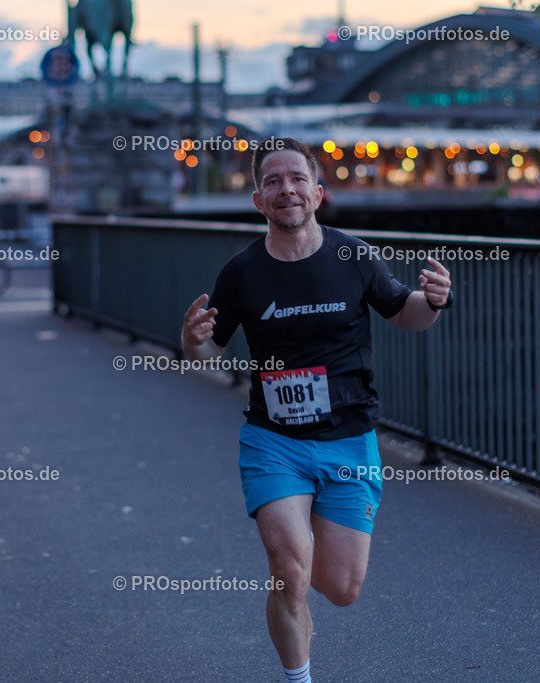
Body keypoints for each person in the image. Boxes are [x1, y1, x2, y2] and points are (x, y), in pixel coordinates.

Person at [180, 137, 452, 682]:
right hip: (273, 441)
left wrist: (435, 301)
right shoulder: (241, 273)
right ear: (258, 200)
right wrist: (192, 342)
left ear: (317, 193)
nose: (287, 190)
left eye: (297, 179)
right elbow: (210, 350)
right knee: (289, 571)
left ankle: (303, 595)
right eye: (273, 181)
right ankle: (298, 674)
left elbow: (406, 314)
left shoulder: (353, 256)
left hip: (349, 440)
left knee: (342, 588)